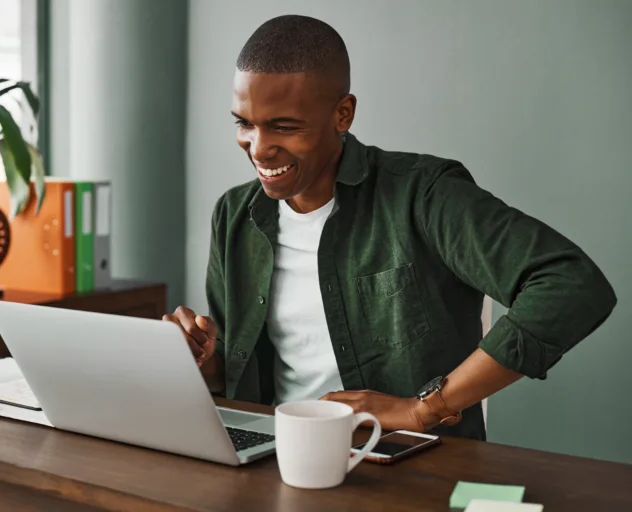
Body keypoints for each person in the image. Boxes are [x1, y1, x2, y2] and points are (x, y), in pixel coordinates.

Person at [163, 14, 616, 440]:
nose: (258, 149)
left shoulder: (424, 195)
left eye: (284, 127)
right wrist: (201, 363)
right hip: (276, 454)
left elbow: (571, 284)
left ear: (343, 114)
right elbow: (237, 366)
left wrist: (423, 409)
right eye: (244, 124)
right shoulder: (235, 214)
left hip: (404, 462)